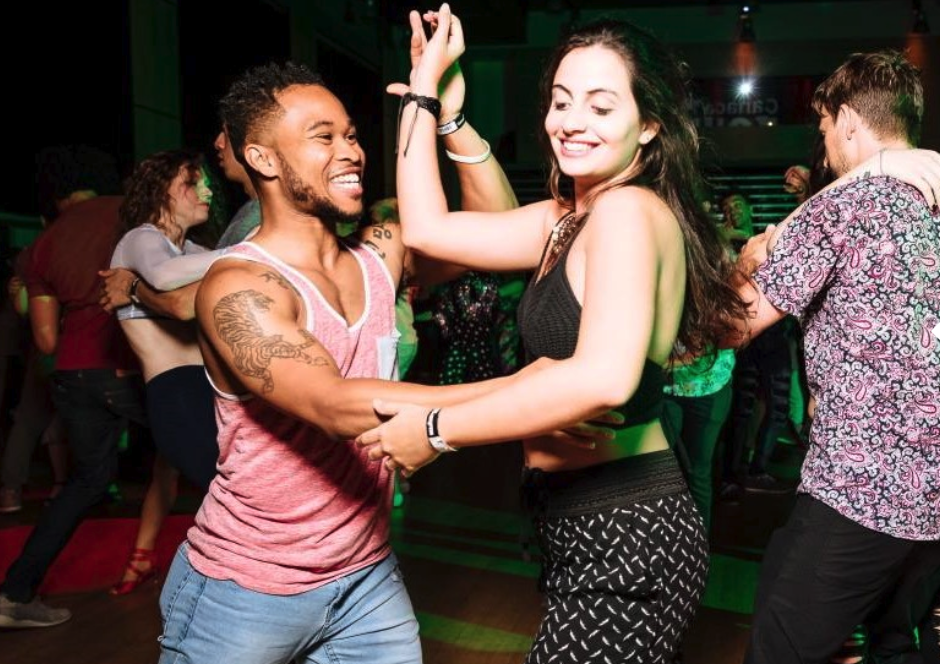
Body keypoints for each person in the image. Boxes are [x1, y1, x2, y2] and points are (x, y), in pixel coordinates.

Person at [357, 7, 751, 662]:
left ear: (649, 125)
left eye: (600, 106)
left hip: (626, 534)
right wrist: (431, 100)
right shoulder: (566, 219)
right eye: (562, 102)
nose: (571, 121)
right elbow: (423, 229)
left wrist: (433, 431)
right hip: (579, 524)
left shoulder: (627, 210)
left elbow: (604, 378)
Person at [155, 49, 531, 661]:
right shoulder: (242, 287)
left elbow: (499, 232)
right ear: (262, 158)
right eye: (323, 137)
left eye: (352, 135)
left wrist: (449, 120)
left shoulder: (379, 253)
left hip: (367, 577)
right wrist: (530, 393)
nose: (352, 151)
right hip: (246, 590)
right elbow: (334, 404)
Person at [726, 50, 940, 663]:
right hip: (932, 502)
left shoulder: (837, 209)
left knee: (780, 649)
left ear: (848, 120)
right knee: (898, 643)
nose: (822, 145)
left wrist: (746, 263)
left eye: (823, 127)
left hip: (860, 493)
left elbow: (732, 329)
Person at [0, 145, 149, 628]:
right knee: (206, 456)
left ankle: (14, 593)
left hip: (73, 373)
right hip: (132, 365)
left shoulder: (39, 246)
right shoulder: (128, 214)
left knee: (86, 481)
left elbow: (44, 337)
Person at [106, 149, 226, 595]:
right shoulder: (141, 239)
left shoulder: (191, 249)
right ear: (162, 191)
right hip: (176, 394)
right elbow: (163, 273)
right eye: (194, 183)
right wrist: (250, 251)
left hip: (205, 391)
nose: (208, 191)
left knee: (233, 502)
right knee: (228, 501)